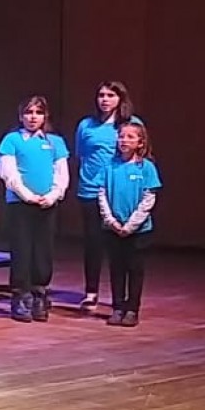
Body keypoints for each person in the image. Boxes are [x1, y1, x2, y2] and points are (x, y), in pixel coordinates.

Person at [0, 95, 69, 323]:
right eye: (28, 113)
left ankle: (40, 294)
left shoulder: (55, 142)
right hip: (21, 205)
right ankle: (21, 296)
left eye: (38, 113)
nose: (33, 117)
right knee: (22, 250)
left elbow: (61, 173)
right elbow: (8, 173)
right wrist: (28, 196)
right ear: (21, 116)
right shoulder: (12, 140)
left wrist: (52, 196)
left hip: (47, 204)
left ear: (45, 116)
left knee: (43, 251)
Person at [74, 81, 142, 313]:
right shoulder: (87, 125)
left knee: (118, 246)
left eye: (110, 95)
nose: (104, 99)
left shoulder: (131, 125)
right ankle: (91, 292)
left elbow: (140, 156)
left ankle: (120, 300)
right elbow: (81, 155)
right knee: (93, 243)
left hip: (119, 193)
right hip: (91, 191)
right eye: (101, 95)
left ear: (120, 99)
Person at [99, 123, 160, 327]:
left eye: (130, 137)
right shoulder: (109, 166)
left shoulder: (147, 168)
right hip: (113, 229)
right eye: (122, 136)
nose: (124, 140)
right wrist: (112, 221)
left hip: (138, 231)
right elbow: (102, 195)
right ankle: (117, 307)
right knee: (116, 269)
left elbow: (148, 199)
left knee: (135, 270)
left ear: (140, 142)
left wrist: (131, 225)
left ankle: (132, 309)